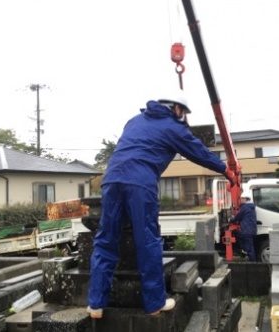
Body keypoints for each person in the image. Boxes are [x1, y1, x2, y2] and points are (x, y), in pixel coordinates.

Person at [87, 97, 236, 318]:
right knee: (147, 240)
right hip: (140, 182)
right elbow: (198, 151)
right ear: (175, 108)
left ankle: (96, 304)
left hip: (110, 180)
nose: (184, 116)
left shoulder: (134, 121)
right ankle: (154, 303)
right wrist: (226, 169)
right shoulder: (172, 127)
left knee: (106, 239)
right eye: (183, 112)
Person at [230, 194, 257, 261]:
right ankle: (245, 255)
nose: (240, 200)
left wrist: (231, 219)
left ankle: (252, 262)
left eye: (242, 198)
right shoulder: (251, 207)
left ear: (246, 199)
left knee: (249, 247)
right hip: (251, 230)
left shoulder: (245, 207)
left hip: (246, 230)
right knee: (249, 246)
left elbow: (237, 217)